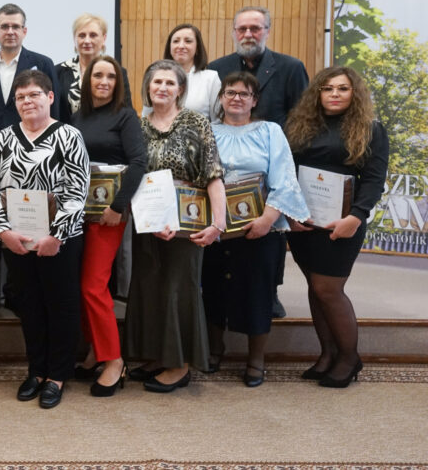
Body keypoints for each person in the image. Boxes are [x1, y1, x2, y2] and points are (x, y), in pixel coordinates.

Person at [0, 70, 89, 409]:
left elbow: (77, 192)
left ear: (50, 97)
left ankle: (57, 375)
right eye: (20, 97)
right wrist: (3, 231)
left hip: (58, 241)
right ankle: (36, 370)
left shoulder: (68, 136)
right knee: (29, 306)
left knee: (61, 305)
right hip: (18, 240)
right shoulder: (3, 139)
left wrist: (56, 236)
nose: (27, 101)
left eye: (34, 95)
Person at [124, 60, 226, 393]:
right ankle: (157, 356)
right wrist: (150, 220)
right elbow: (135, 175)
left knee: (177, 290)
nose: (163, 88)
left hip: (186, 222)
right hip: (148, 221)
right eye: (157, 83)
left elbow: (213, 174)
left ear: (180, 88)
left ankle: (180, 365)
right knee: (149, 288)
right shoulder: (138, 126)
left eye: (170, 82)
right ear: (148, 88)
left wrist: (218, 223)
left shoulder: (196, 123)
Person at [204, 72, 310, 387]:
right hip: (217, 228)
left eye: (244, 93)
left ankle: (256, 359)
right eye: (230, 92)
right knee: (213, 290)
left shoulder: (269, 131)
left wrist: (266, 220)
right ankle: (214, 348)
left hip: (261, 228)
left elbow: (285, 178)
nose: (237, 98)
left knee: (258, 293)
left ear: (254, 100)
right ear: (221, 98)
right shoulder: (206, 131)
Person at [285, 66, 388, 388]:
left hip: (342, 223)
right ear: (317, 93)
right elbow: (288, 171)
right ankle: (327, 354)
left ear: (353, 93)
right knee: (316, 289)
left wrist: (355, 218)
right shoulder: (300, 125)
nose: (334, 94)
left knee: (329, 289)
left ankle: (349, 358)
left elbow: (373, 180)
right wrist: (291, 214)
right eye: (327, 88)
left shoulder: (370, 129)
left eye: (342, 89)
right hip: (305, 222)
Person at [209, 6, 309, 318]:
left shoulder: (291, 68)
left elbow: (302, 119)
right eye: (242, 29)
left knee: (268, 241)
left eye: (255, 28)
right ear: (233, 32)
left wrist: (281, 163)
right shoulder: (217, 68)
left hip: (272, 160)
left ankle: (272, 290)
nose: (248, 34)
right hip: (226, 158)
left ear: (267, 30)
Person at [0, 3, 60, 311]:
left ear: (24, 30)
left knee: (30, 226)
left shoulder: (43, 63)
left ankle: (22, 298)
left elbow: (55, 113)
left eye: (15, 26)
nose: (10, 31)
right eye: (4, 26)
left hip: (37, 162)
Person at [69, 55, 146, 397]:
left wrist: (119, 206)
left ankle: (114, 360)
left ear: (118, 83)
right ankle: (93, 352)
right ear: (87, 80)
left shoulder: (126, 116)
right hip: (78, 213)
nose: (103, 81)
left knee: (93, 286)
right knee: (80, 285)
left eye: (110, 77)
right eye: (97, 75)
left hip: (108, 214)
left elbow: (139, 161)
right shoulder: (78, 116)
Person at [56, 14, 132, 121]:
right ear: (75, 39)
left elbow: (126, 110)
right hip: (66, 135)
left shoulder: (117, 72)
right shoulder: (59, 71)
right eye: (82, 35)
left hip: (105, 134)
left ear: (104, 38)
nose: (87, 41)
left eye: (93, 35)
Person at [142, 24, 219, 120]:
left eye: (188, 41)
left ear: (197, 48)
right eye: (176, 41)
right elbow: (146, 119)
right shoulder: (155, 76)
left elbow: (217, 121)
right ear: (170, 48)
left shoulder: (211, 78)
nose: (181, 46)